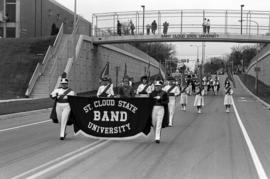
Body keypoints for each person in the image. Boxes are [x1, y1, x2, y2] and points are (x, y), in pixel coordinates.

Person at [50, 74, 75, 140]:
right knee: (60, 120)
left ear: (67, 84)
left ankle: (62, 135)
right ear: (61, 84)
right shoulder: (57, 90)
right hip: (58, 105)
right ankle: (64, 132)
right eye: (63, 84)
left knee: (64, 118)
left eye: (65, 84)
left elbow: (72, 98)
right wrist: (55, 95)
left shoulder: (71, 91)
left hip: (67, 106)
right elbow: (52, 96)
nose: (64, 85)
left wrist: (61, 95)